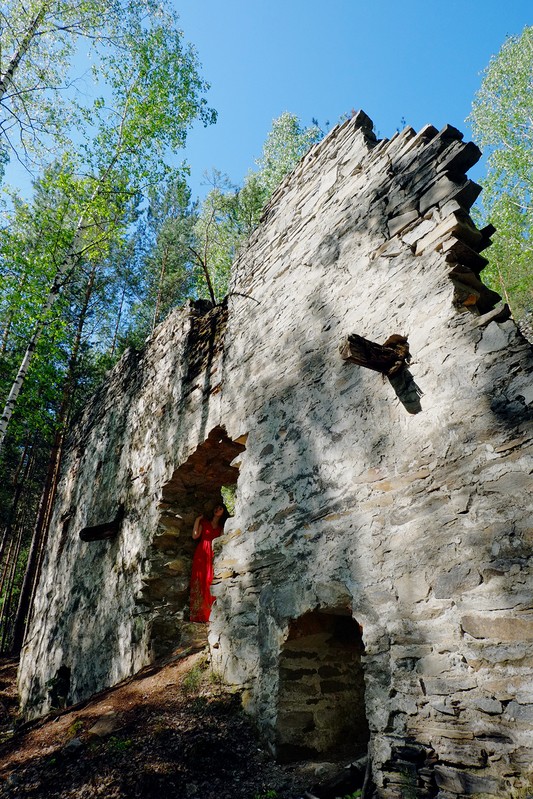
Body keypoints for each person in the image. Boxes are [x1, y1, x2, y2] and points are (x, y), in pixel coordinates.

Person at [189, 504, 228, 622]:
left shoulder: (221, 527)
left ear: (223, 512)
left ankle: (210, 613)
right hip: (202, 553)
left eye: (220, 508)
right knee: (200, 580)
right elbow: (195, 535)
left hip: (213, 555)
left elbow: (222, 542)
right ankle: (198, 614)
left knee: (210, 580)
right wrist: (197, 520)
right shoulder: (204, 523)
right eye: (216, 507)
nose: (217, 509)